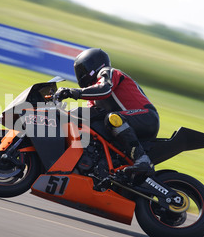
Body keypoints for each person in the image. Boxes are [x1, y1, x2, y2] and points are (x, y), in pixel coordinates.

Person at [55, 48, 159, 176]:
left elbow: (104, 89)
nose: (80, 74)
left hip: (146, 117)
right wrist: (65, 112)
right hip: (126, 122)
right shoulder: (93, 95)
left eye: (82, 69)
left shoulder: (108, 72)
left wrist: (73, 92)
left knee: (112, 118)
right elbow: (90, 114)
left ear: (93, 65)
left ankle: (142, 160)